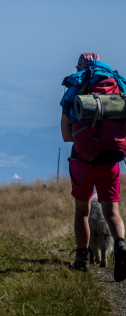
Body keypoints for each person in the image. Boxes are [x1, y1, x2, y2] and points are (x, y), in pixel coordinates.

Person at [60, 52, 126, 281]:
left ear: (80, 66)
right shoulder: (117, 84)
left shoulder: (74, 87)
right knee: (112, 213)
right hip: (112, 161)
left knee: (83, 212)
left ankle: (82, 260)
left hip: (83, 162)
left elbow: (66, 136)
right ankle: (120, 246)